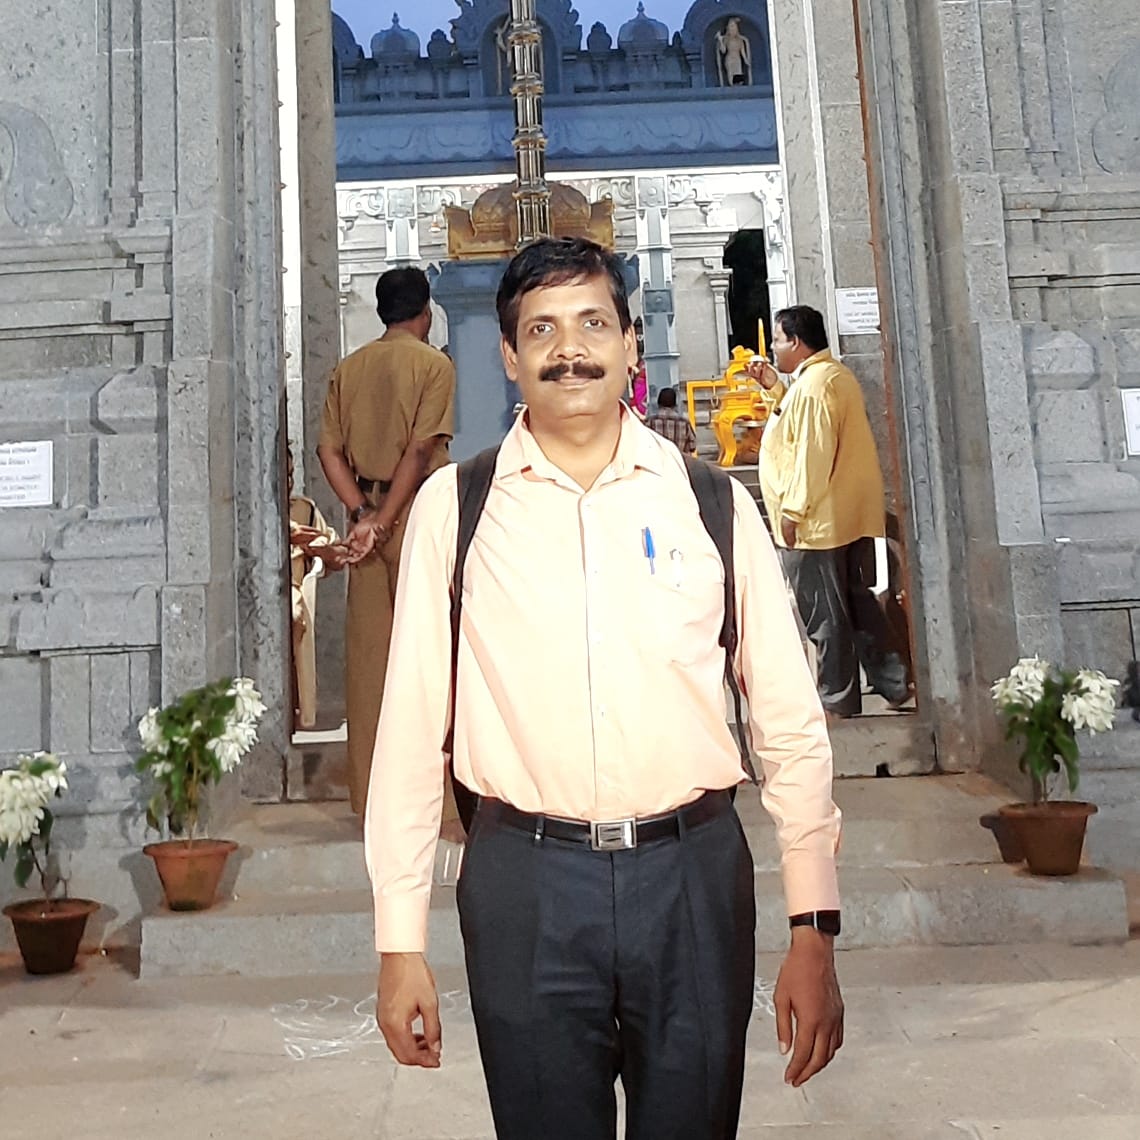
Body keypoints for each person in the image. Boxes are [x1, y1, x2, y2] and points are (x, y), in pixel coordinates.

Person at [366, 238, 844, 1139]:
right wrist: (400, 940)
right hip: (525, 883)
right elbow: (411, 732)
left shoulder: (709, 503)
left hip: (691, 877)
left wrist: (812, 922)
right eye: (541, 330)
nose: (569, 350)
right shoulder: (456, 509)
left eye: (592, 323)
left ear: (631, 343)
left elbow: (787, 720)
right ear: (509, 357)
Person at [317, 267, 456, 818]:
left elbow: (328, 451)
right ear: (426, 313)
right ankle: (439, 801)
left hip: (366, 524)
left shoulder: (348, 369)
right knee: (434, 655)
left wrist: (362, 514)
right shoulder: (434, 366)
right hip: (418, 514)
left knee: (370, 664)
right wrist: (386, 521)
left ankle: (376, 801)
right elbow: (420, 450)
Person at [758, 305, 911, 719]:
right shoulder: (830, 377)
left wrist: (793, 512)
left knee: (825, 615)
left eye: (777, 340)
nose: (773, 349)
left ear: (795, 341)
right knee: (857, 608)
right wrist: (775, 390)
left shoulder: (813, 387)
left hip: (816, 523)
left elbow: (811, 454)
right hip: (843, 516)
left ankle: (836, 699)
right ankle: (895, 682)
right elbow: (801, 430)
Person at [287, 447, 348, 731]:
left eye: (291, 475)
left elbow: (338, 555)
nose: (287, 482)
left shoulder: (305, 509)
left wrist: (318, 549)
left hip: (296, 592)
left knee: (294, 611)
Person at [644, 385, 697, 454]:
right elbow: (692, 446)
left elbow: (643, 444)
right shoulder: (684, 423)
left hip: (656, 460)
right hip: (678, 460)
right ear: (675, 404)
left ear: (658, 403)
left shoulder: (649, 422)